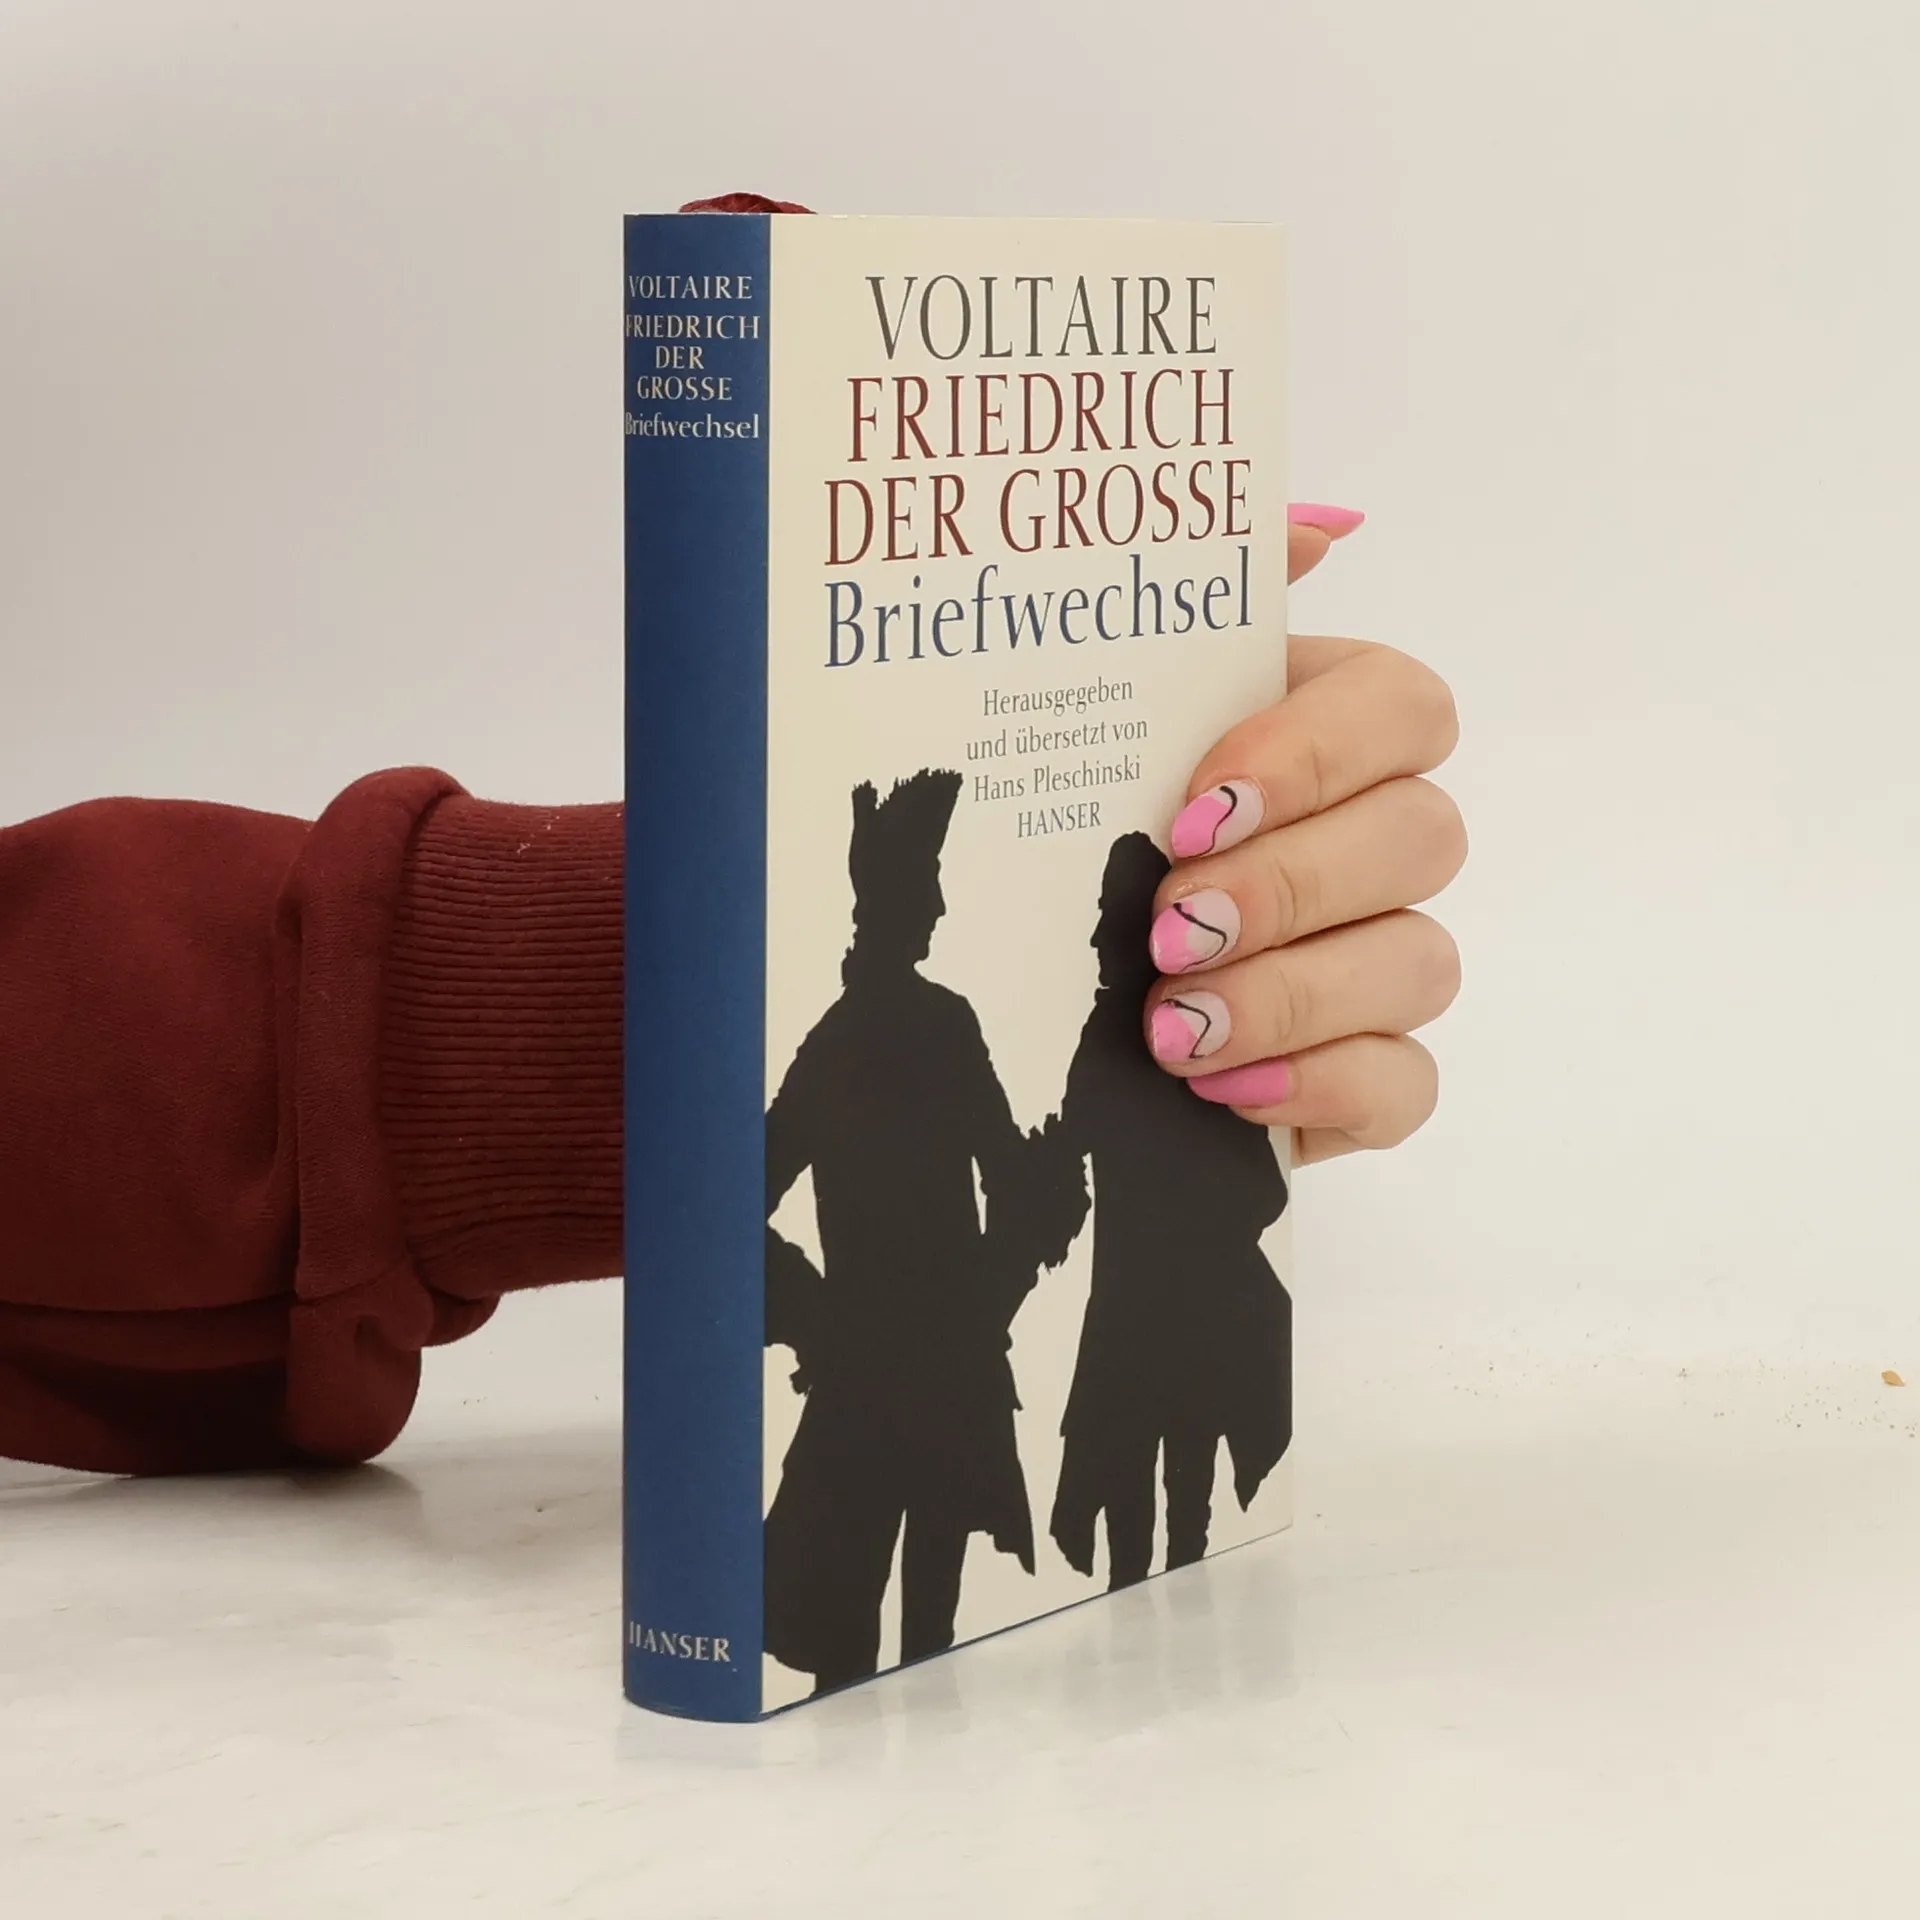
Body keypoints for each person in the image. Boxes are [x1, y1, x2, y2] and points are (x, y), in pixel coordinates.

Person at [0, 193, 1464, 1482]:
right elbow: (799, 1185)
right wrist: (644, 975)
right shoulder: (898, 1027)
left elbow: (958, 1187)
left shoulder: (941, 1026)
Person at [1051, 834, 1292, 1592]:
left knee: (1170, 1492)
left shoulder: (1137, 1034)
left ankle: (1159, 1594)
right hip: (1155, 1312)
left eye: (1109, 917)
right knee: (1167, 1491)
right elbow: (1265, 1191)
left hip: (1146, 1312)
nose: (1096, 937)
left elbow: (1062, 1176)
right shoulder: (1112, 1035)